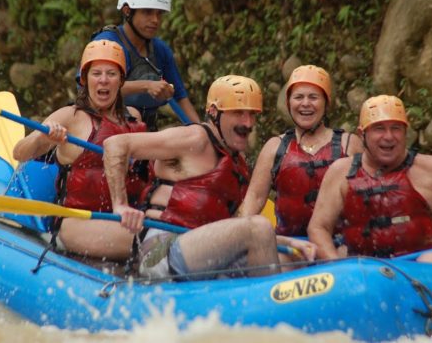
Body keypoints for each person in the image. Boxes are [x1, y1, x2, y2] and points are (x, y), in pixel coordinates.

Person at [103, 75, 314, 280]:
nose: (248, 123)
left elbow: (231, 228)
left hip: (202, 250)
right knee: (258, 226)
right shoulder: (194, 138)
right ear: (214, 113)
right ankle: (271, 306)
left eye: (252, 114)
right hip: (162, 249)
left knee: (288, 259)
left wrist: (287, 241)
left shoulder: (236, 163)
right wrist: (120, 205)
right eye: (239, 113)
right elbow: (115, 145)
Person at [308, 94, 432, 261]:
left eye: (396, 128)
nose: (389, 136)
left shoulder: (428, 168)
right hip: (364, 269)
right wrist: (336, 265)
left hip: (418, 268)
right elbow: (319, 227)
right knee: (343, 256)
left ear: (405, 132)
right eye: (379, 129)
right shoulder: (340, 172)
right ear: (362, 134)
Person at [13, 40, 148, 260]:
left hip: (125, 217)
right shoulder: (70, 116)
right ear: (85, 80)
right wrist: (44, 137)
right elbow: (20, 152)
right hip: (78, 220)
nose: (103, 80)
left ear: (121, 80)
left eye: (111, 74)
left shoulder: (133, 117)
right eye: (96, 73)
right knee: (150, 243)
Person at [239, 65, 362, 262]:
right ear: (288, 103)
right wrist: (233, 236)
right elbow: (253, 200)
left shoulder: (349, 144)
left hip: (339, 244)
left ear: (325, 103)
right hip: (290, 248)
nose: (305, 104)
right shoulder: (275, 148)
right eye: (298, 97)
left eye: (313, 97)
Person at [89, 0, 200, 130]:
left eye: (159, 14)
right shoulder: (107, 43)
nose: (155, 20)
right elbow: (95, 89)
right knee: (134, 115)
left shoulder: (160, 50)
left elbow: (181, 99)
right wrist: (146, 86)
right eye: (147, 12)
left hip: (145, 130)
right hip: (103, 127)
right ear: (127, 11)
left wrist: (203, 132)